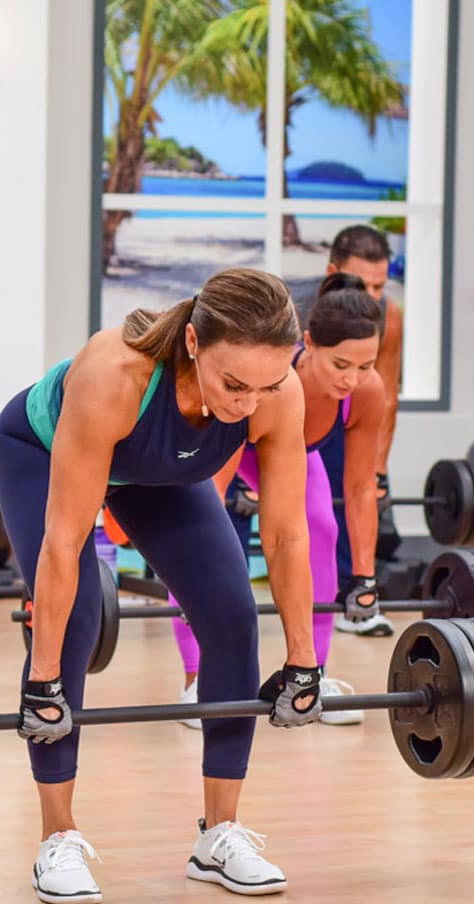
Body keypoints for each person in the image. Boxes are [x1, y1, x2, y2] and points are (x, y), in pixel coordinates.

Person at [0, 268, 323, 904]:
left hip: (158, 476)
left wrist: (304, 661)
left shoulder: (277, 394)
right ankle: (56, 837)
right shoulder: (115, 375)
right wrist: (43, 679)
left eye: (267, 384)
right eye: (234, 384)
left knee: (232, 612)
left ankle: (219, 835)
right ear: (195, 344)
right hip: (41, 450)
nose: (247, 404)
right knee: (78, 622)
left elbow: (286, 537)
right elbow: (64, 542)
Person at [172, 274, 389, 731]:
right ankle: (197, 676)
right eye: (341, 364)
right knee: (195, 526)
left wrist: (364, 577)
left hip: (288, 449)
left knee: (319, 526)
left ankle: (311, 676)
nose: (352, 379)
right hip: (230, 433)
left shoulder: (366, 394)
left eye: (366, 365)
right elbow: (206, 499)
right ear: (308, 344)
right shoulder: (268, 375)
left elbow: (360, 488)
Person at [291, 224, 404, 634]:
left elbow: (385, 391)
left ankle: (347, 599)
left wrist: (379, 469)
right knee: (230, 514)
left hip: (331, 413)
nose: (372, 298)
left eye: (380, 285)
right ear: (333, 271)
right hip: (253, 422)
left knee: (336, 505)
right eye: (363, 284)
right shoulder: (288, 309)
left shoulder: (387, 317)